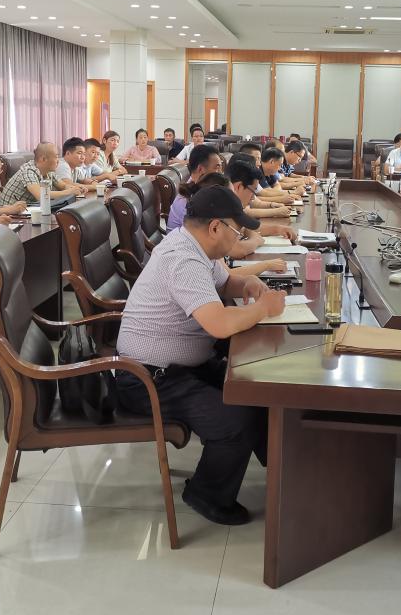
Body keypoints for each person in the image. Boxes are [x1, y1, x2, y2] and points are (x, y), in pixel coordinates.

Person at [115, 185, 287, 525]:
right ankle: (206, 494)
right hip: (148, 379)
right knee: (235, 419)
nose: (238, 238)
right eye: (236, 231)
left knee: (253, 388)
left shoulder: (195, 248)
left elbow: (224, 284)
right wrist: (263, 309)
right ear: (215, 227)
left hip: (177, 367)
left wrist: (247, 285)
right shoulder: (183, 259)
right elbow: (220, 324)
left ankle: (284, 467)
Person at [225, 158, 298, 241]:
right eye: (253, 191)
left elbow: (245, 228)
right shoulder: (221, 206)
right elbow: (235, 246)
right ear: (239, 187)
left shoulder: (233, 204)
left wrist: (278, 229)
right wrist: (257, 240)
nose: (253, 197)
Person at [0, 141, 85, 206]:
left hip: (30, 210)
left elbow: (63, 185)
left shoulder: (48, 171)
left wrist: (76, 188)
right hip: (10, 215)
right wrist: (68, 192)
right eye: (56, 157)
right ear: (43, 159)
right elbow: (41, 195)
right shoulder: (28, 170)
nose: (58, 161)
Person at [167, 145, 222, 231]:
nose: (221, 173)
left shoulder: (200, 188)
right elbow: (209, 231)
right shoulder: (189, 199)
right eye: (217, 168)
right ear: (200, 169)